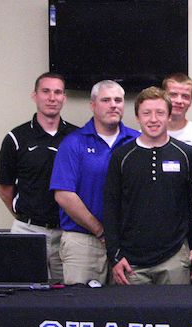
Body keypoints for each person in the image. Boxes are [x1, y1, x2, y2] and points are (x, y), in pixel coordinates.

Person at [103, 87, 192, 285]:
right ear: (137, 117)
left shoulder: (185, 154)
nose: (153, 119)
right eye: (147, 113)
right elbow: (111, 207)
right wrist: (114, 255)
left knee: (176, 315)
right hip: (130, 263)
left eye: (160, 113)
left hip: (174, 258)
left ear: (169, 116)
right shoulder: (121, 156)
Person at [50, 80, 140, 285]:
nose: (113, 105)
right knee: (82, 308)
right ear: (92, 105)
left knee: (127, 309)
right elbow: (63, 195)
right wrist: (100, 231)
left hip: (127, 243)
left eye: (118, 100)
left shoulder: (137, 142)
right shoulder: (73, 143)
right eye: (106, 100)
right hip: (83, 243)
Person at [0, 72, 78, 283]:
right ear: (35, 96)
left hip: (67, 234)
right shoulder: (16, 138)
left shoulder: (76, 138)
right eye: (46, 91)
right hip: (27, 231)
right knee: (23, 295)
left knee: (68, 296)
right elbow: (4, 190)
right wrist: (27, 217)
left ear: (64, 98)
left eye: (58, 92)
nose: (52, 97)